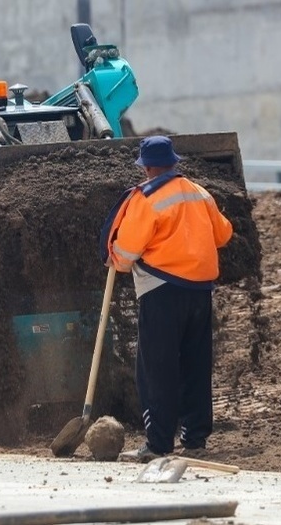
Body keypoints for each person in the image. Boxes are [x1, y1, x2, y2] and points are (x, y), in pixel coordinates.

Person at [100, 135, 233, 463]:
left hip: (162, 291)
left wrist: (114, 258)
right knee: (195, 365)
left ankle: (158, 444)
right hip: (200, 291)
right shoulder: (199, 192)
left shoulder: (146, 200)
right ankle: (195, 439)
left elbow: (127, 253)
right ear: (174, 163)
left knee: (156, 369)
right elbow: (224, 234)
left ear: (146, 167)